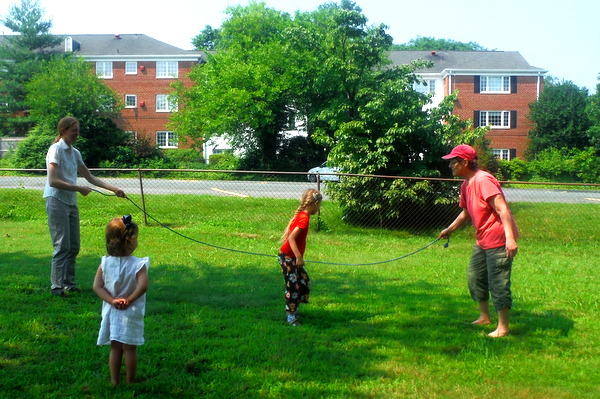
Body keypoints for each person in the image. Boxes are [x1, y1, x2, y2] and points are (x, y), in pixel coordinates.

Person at [438, 144, 519, 338]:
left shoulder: (484, 180)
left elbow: (502, 209)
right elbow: (466, 212)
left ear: (465, 162)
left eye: (453, 162)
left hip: (498, 238)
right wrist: (450, 229)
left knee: (498, 282)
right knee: (475, 277)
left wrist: (510, 239)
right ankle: (484, 317)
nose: (451, 166)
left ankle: (503, 327)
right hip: (482, 240)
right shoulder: (466, 184)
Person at [43, 116, 126, 297]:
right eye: (74, 130)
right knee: (62, 245)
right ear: (63, 130)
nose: (77, 134)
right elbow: (53, 180)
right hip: (56, 200)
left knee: (73, 246)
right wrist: (78, 188)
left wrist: (115, 189)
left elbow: (91, 178)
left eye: (78, 130)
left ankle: (69, 284)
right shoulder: (55, 150)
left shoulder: (75, 153)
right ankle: (56, 287)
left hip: (70, 201)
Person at [93, 215, 149, 386]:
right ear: (130, 240)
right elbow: (143, 285)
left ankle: (115, 381)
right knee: (130, 348)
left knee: (115, 348)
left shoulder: (105, 263)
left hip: (112, 312)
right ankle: (130, 381)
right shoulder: (138, 264)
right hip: (130, 313)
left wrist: (112, 301)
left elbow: (97, 286)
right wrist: (130, 299)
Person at [278, 188, 323, 326]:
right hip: (288, 256)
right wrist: (299, 257)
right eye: (320, 204)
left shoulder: (303, 215)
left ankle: (295, 308)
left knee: (303, 281)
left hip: (291, 256)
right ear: (315, 203)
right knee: (293, 287)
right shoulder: (304, 218)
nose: (319, 208)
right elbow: (291, 238)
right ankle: (291, 316)